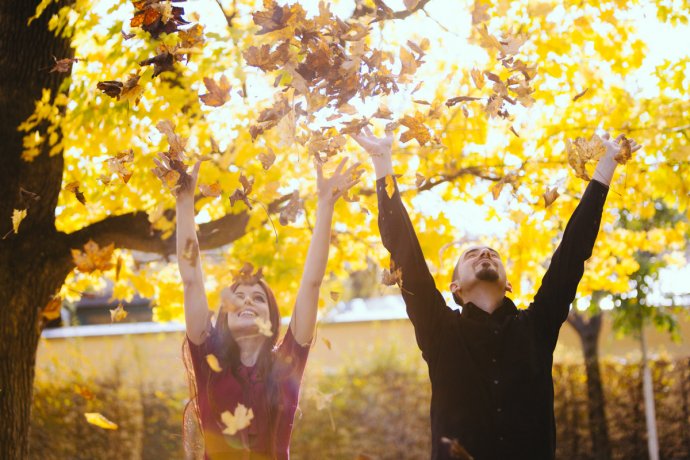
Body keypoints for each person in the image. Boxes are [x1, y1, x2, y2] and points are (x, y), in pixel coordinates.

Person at [352, 128, 640, 460]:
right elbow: (406, 254)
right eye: (472, 255)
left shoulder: (536, 328)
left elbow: (571, 255)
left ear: (508, 284)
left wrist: (606, 168)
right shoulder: (439, 331)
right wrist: (382, 164)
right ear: (455, 288)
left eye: (493, 254)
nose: (485, 254)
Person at [176, 157, 362, 459]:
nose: (248, 300)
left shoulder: (287, 361)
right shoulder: (207, 357)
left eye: (259, 298)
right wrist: (185, 204)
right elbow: (191, 281)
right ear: (223, 315)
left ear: (272, 319)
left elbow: (312, 284)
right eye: (240, 295)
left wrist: (325, 205)